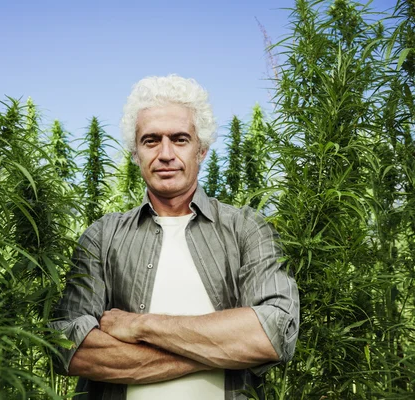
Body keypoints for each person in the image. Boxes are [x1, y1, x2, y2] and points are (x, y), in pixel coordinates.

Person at [50, 75, 299, 400]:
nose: (165, 153)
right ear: (135, 153)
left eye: (180, 139)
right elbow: (68, 345)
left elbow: (274, 332)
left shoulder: (246, 228)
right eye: (151, 140)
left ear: (202, 149)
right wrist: (218, 349)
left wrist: (141, 326)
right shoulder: (102, 236)